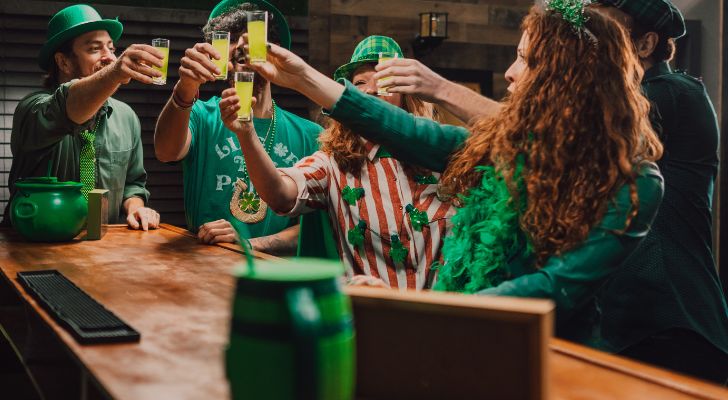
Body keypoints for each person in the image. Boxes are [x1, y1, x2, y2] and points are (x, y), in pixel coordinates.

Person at [243, 1, 669, 355]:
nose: (510, 72)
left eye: (526, 58)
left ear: (568, 77)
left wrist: (419, 306)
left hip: (549, 357)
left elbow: (554, 285)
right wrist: (303, 78)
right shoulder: (507, 143)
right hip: (458, 340)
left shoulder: (636, 182)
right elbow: (409, 132)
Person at [223, 35, 454, 289]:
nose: (370, 90)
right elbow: (279, 193)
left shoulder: (443, 156)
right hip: (368, 316)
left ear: (406, 95)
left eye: (385, 81)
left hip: (442, 319)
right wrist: (246, 134)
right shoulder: (334, 164)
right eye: (360, 83)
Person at [586, 0, 728, 384]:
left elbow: (557, 140)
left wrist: (441, 91)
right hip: (630, 328)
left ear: (645, 44)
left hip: (671, 326)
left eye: (604, 31)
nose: (588, 41)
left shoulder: (670, 92)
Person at [153, 0, 321, 254]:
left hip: (275, 277)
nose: (239, 64)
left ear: (274, 58)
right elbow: (166, 152)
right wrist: (185, 87)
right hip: (204, 266)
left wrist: (248, 246)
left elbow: (314, 228)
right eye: (232, 57)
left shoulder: (309, 134)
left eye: (248, 53)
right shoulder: (201, 114)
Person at [3, 4, 161, 230]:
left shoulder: (127, 117)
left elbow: (133, 184)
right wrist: (116, 73)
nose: (110, 58)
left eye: (111, 48)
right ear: (63, 61)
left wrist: (136, 207)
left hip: (103, 247)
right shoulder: (33, 109)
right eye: (95, 49)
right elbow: (68, 107)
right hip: (35, 243)